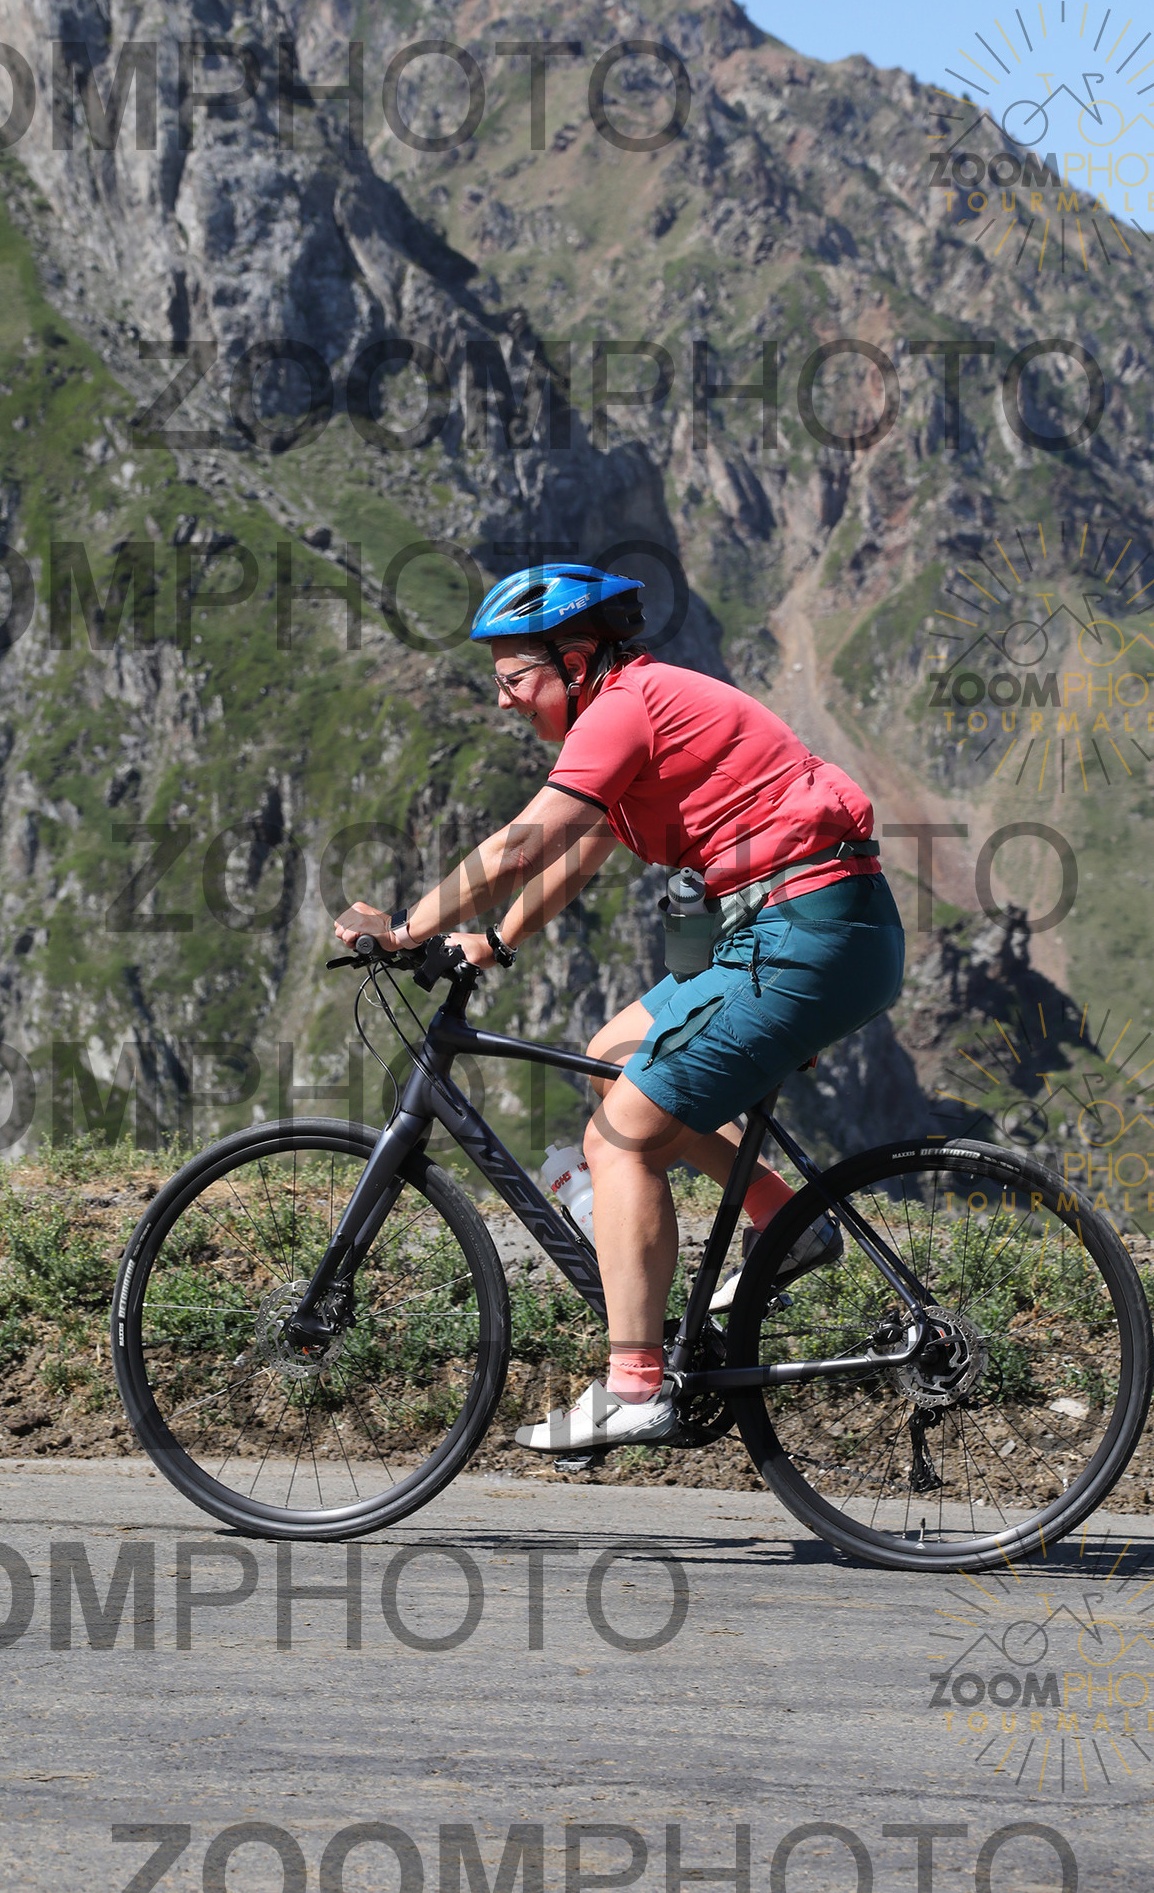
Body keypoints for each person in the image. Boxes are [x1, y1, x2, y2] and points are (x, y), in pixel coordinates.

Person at [332, 563, 905, 1454]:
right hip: (802, 928)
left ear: (574, 661)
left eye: (514, 680)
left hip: (803, 932)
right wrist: (493, 941)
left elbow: (521, 845)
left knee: (620, 1141)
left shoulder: (623, 708)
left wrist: (406, 929)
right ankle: (784, 1223)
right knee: (611, 1058)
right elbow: (578, 853)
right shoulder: (635, 710)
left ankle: (636, 1387)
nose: (503, 701)